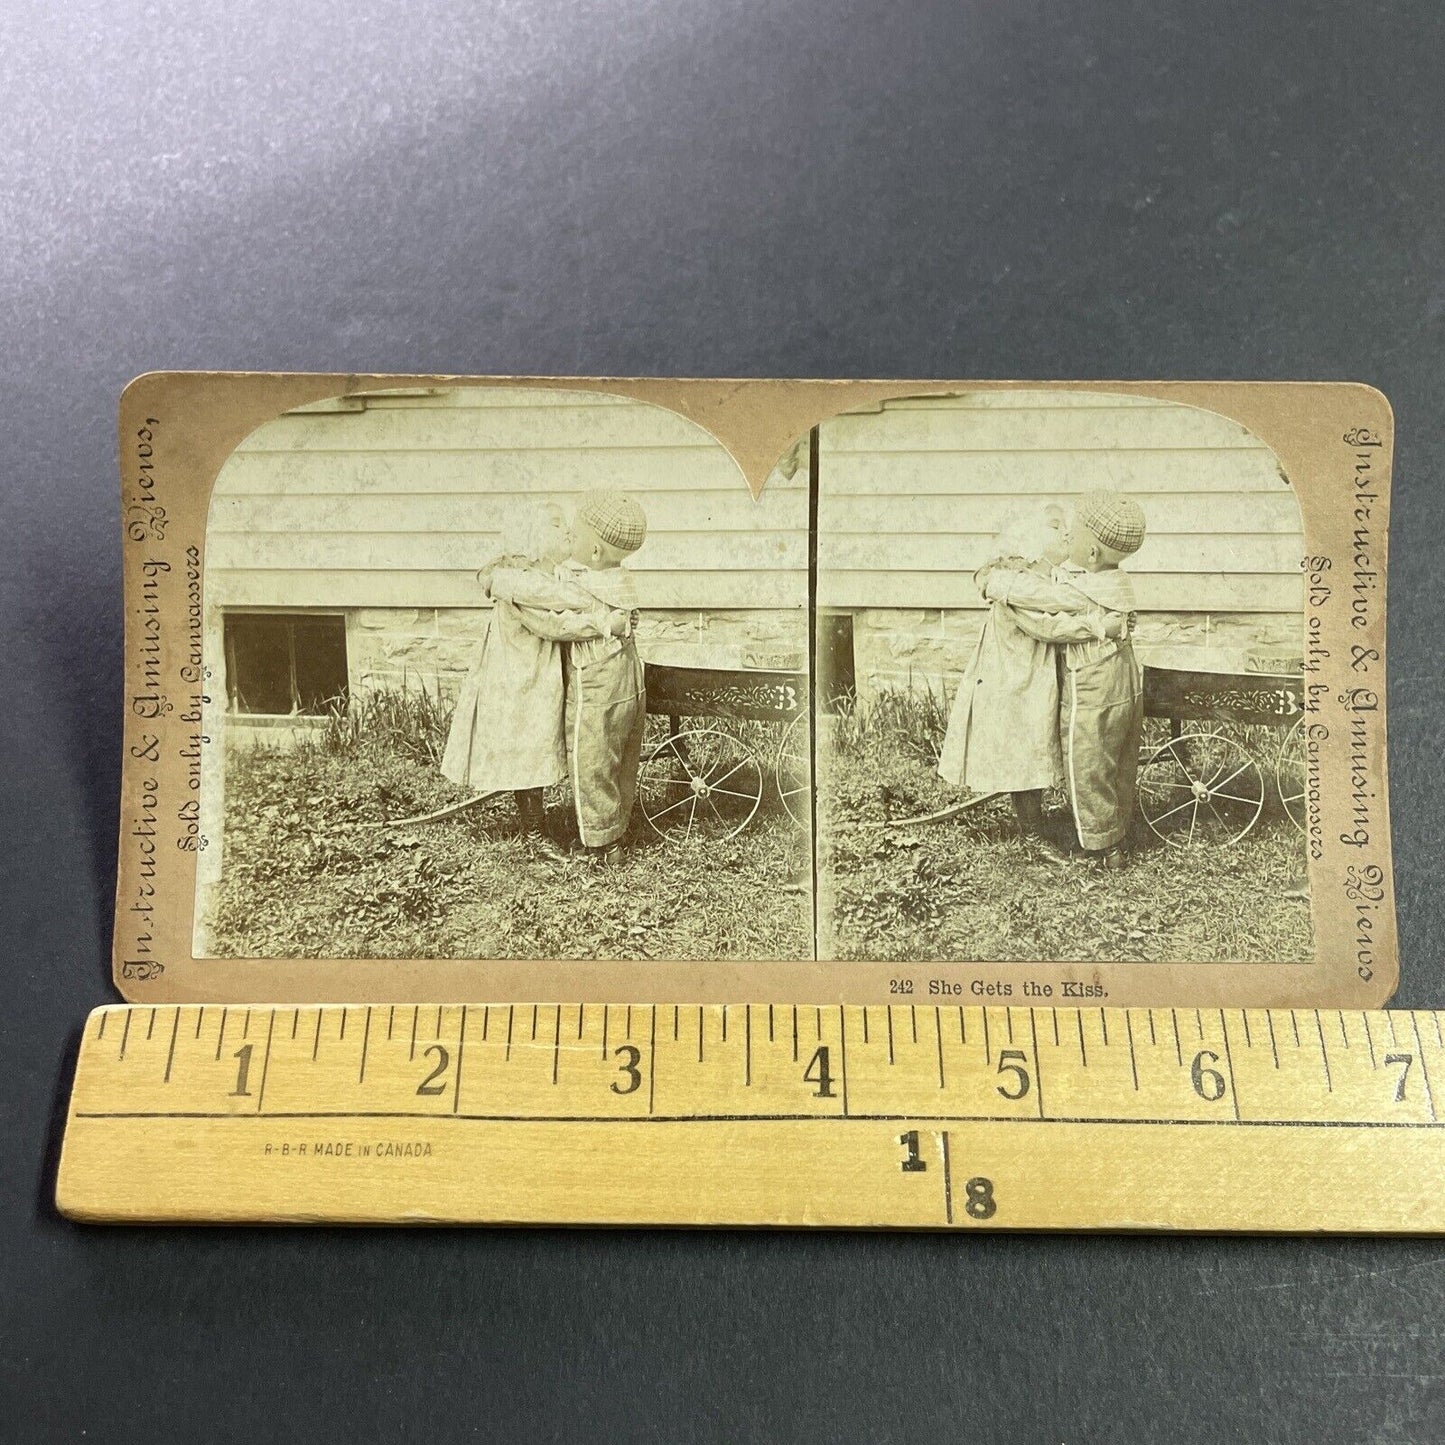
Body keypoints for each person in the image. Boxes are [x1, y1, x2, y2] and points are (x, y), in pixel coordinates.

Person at [440, 501, 630, 856]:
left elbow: (567, 596)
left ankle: (543, 822)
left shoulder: (552, 575)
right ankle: (532, 832)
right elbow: (553, 623)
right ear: (533, 536)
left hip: (539, 672)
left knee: (540, 742)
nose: (567, 531)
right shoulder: (517, 582)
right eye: (557, 525)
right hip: (517, 678)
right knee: (528, 745)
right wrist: (604, 622)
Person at [938, 503, 1104, 854]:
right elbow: (1046, 625)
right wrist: (1097, 620)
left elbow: (1059, 599)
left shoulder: (1046, 577)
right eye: (1055, 526)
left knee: (1036, 742)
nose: (1065, 533)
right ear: (1030, 539)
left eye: (1065, 526)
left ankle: (1039, 822)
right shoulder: (1012, 582)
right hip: (1012, 677)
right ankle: (1030, 835)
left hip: (1033, 673)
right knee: (1024, 745)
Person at [994, 491, 1146, 868]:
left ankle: (1099, 846)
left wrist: (997, 584)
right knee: (1118, 756)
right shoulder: (1112, 579)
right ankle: (1116, 830)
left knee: (1087, 759)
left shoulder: (1080, 590)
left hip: (1092, 680)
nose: (1065, 536)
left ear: (1092, 553)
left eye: (1071, 531)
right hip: (1125, 676)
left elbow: (1045, 613)